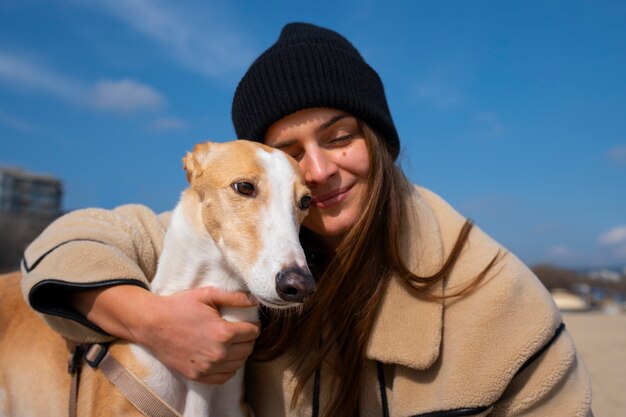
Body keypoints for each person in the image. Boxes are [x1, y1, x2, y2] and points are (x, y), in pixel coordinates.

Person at [21, 22, 592, 416]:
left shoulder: (502, 298)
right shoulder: (214, 228)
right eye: (288, 155)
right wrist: (148, 321)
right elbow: (67, 242)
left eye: (340, 137)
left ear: (380, 145)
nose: (316, 171)